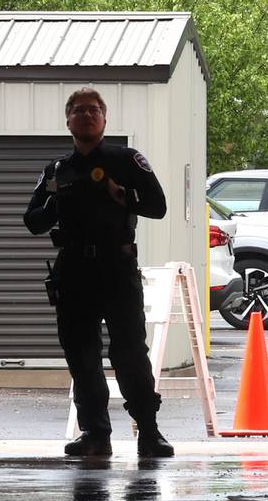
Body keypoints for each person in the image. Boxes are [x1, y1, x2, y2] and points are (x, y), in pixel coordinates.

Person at [23, 87, 174, 458]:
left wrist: (123, 195)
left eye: (94, 110)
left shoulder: (127, 160)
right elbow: (32, 222)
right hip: (74, 271)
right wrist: (59, 199)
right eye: (78, 110)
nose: (86, 115)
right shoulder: (57, 170)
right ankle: (95, 434)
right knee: (81, 355)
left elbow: (158, 206)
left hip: (117, 268)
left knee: (129, 353)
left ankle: (149, 432)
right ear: (68, 120)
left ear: (105, 119)